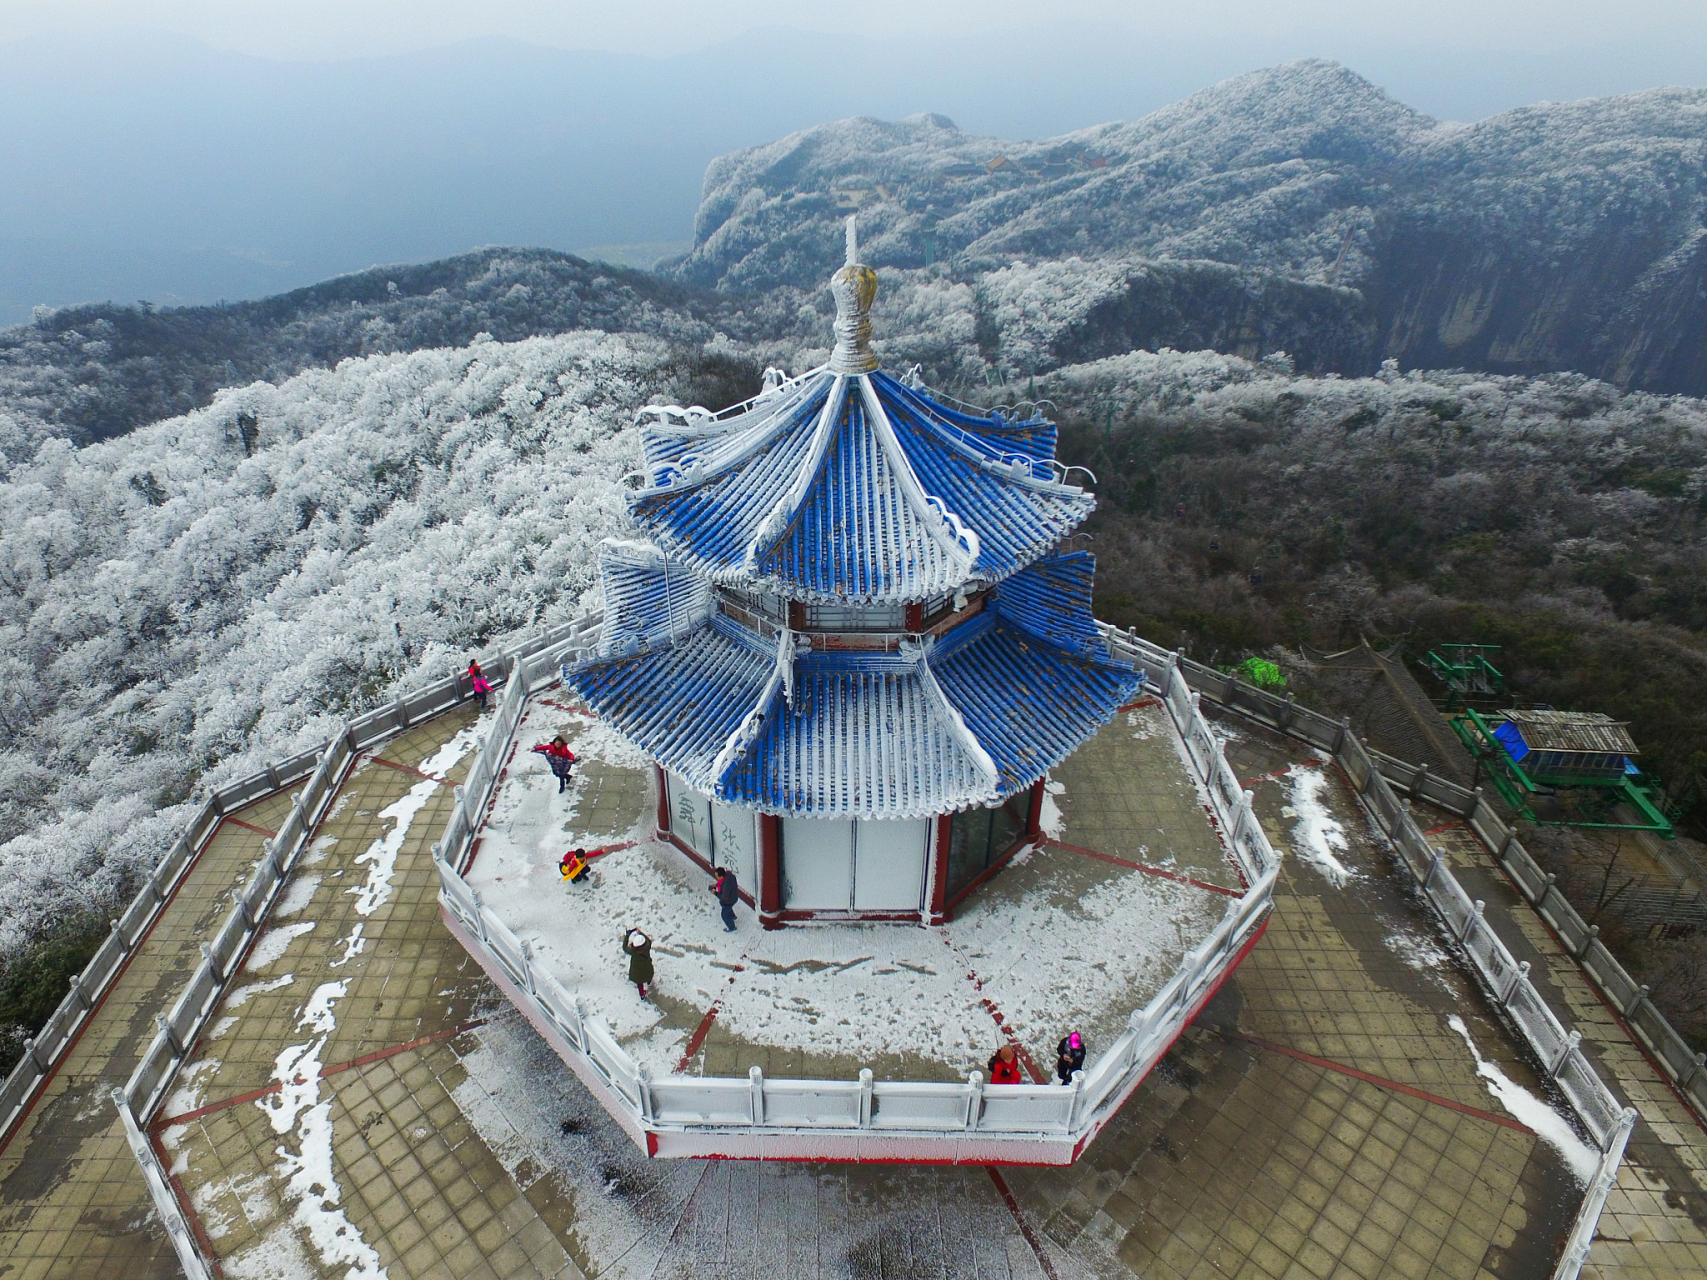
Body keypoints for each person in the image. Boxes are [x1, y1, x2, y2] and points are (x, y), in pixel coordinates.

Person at [622, 928, 653, 1000]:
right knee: (648, 975)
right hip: (647, 969)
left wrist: (627, 936)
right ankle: (649, 982)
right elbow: (649, 940)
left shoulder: (633, 952)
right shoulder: (647, 948)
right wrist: (640, 932)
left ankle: (642, 995)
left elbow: (624, 947)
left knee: (640, 983)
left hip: (638, 973)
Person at [710, 866, 740, 932]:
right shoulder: (729, 876)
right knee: (728, 909)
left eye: (717, 876)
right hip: (734, 897)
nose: (716, 877)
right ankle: (733, 916)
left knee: (724, 915)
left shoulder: (726, 885)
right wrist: (717, 885)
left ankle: (732, 927)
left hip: (729, 901)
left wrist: (715, 893)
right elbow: (722, 883)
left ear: (721, 876)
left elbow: (724, 897)